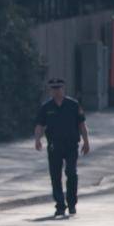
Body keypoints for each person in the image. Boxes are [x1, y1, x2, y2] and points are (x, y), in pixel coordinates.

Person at [34, 77, 89, 218]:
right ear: (50, 90)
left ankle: (71, 203)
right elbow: (40, 125)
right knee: (55, 176)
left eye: (58, 88)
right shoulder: (46, 107)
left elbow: (81, 125)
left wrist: (86, 141)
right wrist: (37, 139)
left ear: (63, 89)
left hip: (71, 144)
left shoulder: (73, 105)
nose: (56, 91)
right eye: (53, 89)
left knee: (71, 172)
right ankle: (60, 205)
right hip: (54, 145)